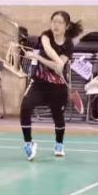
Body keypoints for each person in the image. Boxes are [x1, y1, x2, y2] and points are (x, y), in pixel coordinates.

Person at [19, 11, 82, 161]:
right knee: (25, 106)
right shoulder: (45, 36)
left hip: (58, 87)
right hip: (39, 83)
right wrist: (57, 62)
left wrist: (42, 58)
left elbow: (57, 66)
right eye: (54, 21)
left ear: (66, 26)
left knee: (58, 116)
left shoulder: (68, 44)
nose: (56, 25)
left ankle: (59, 144)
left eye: (60, 22)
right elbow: (48, 50)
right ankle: (28, 143)